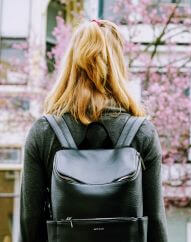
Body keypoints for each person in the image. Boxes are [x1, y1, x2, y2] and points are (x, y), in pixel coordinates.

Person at [19, 19, 168, 242]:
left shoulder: (43, 133)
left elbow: (30, 222)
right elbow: (155, 222)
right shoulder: (142, 133)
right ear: (118, 65)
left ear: (71, 63)